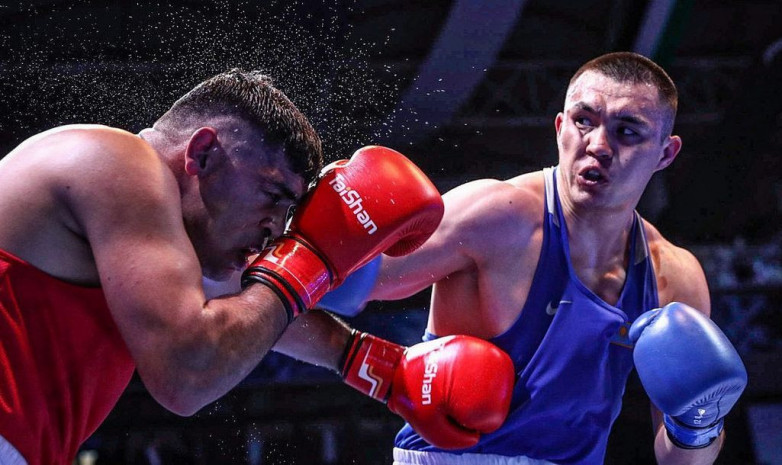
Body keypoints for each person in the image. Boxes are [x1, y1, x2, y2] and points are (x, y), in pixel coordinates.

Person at [0, 69, 516, 465]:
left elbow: (251, 312)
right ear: (203, 152)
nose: (274, 229)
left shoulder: (150, 248)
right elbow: (188, 373)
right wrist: (309, 260)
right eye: (272, 195)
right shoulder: (117, 160)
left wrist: (382, 369)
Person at [278, 52, 748, 464]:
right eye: (584, 121)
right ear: (560, 127)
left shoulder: (674, 278)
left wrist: (697, 424)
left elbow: (683, 461)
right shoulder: (495, 216)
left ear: (665, 153)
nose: (599, 145)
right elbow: (303, 285)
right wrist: (370, 364)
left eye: (627, 132)